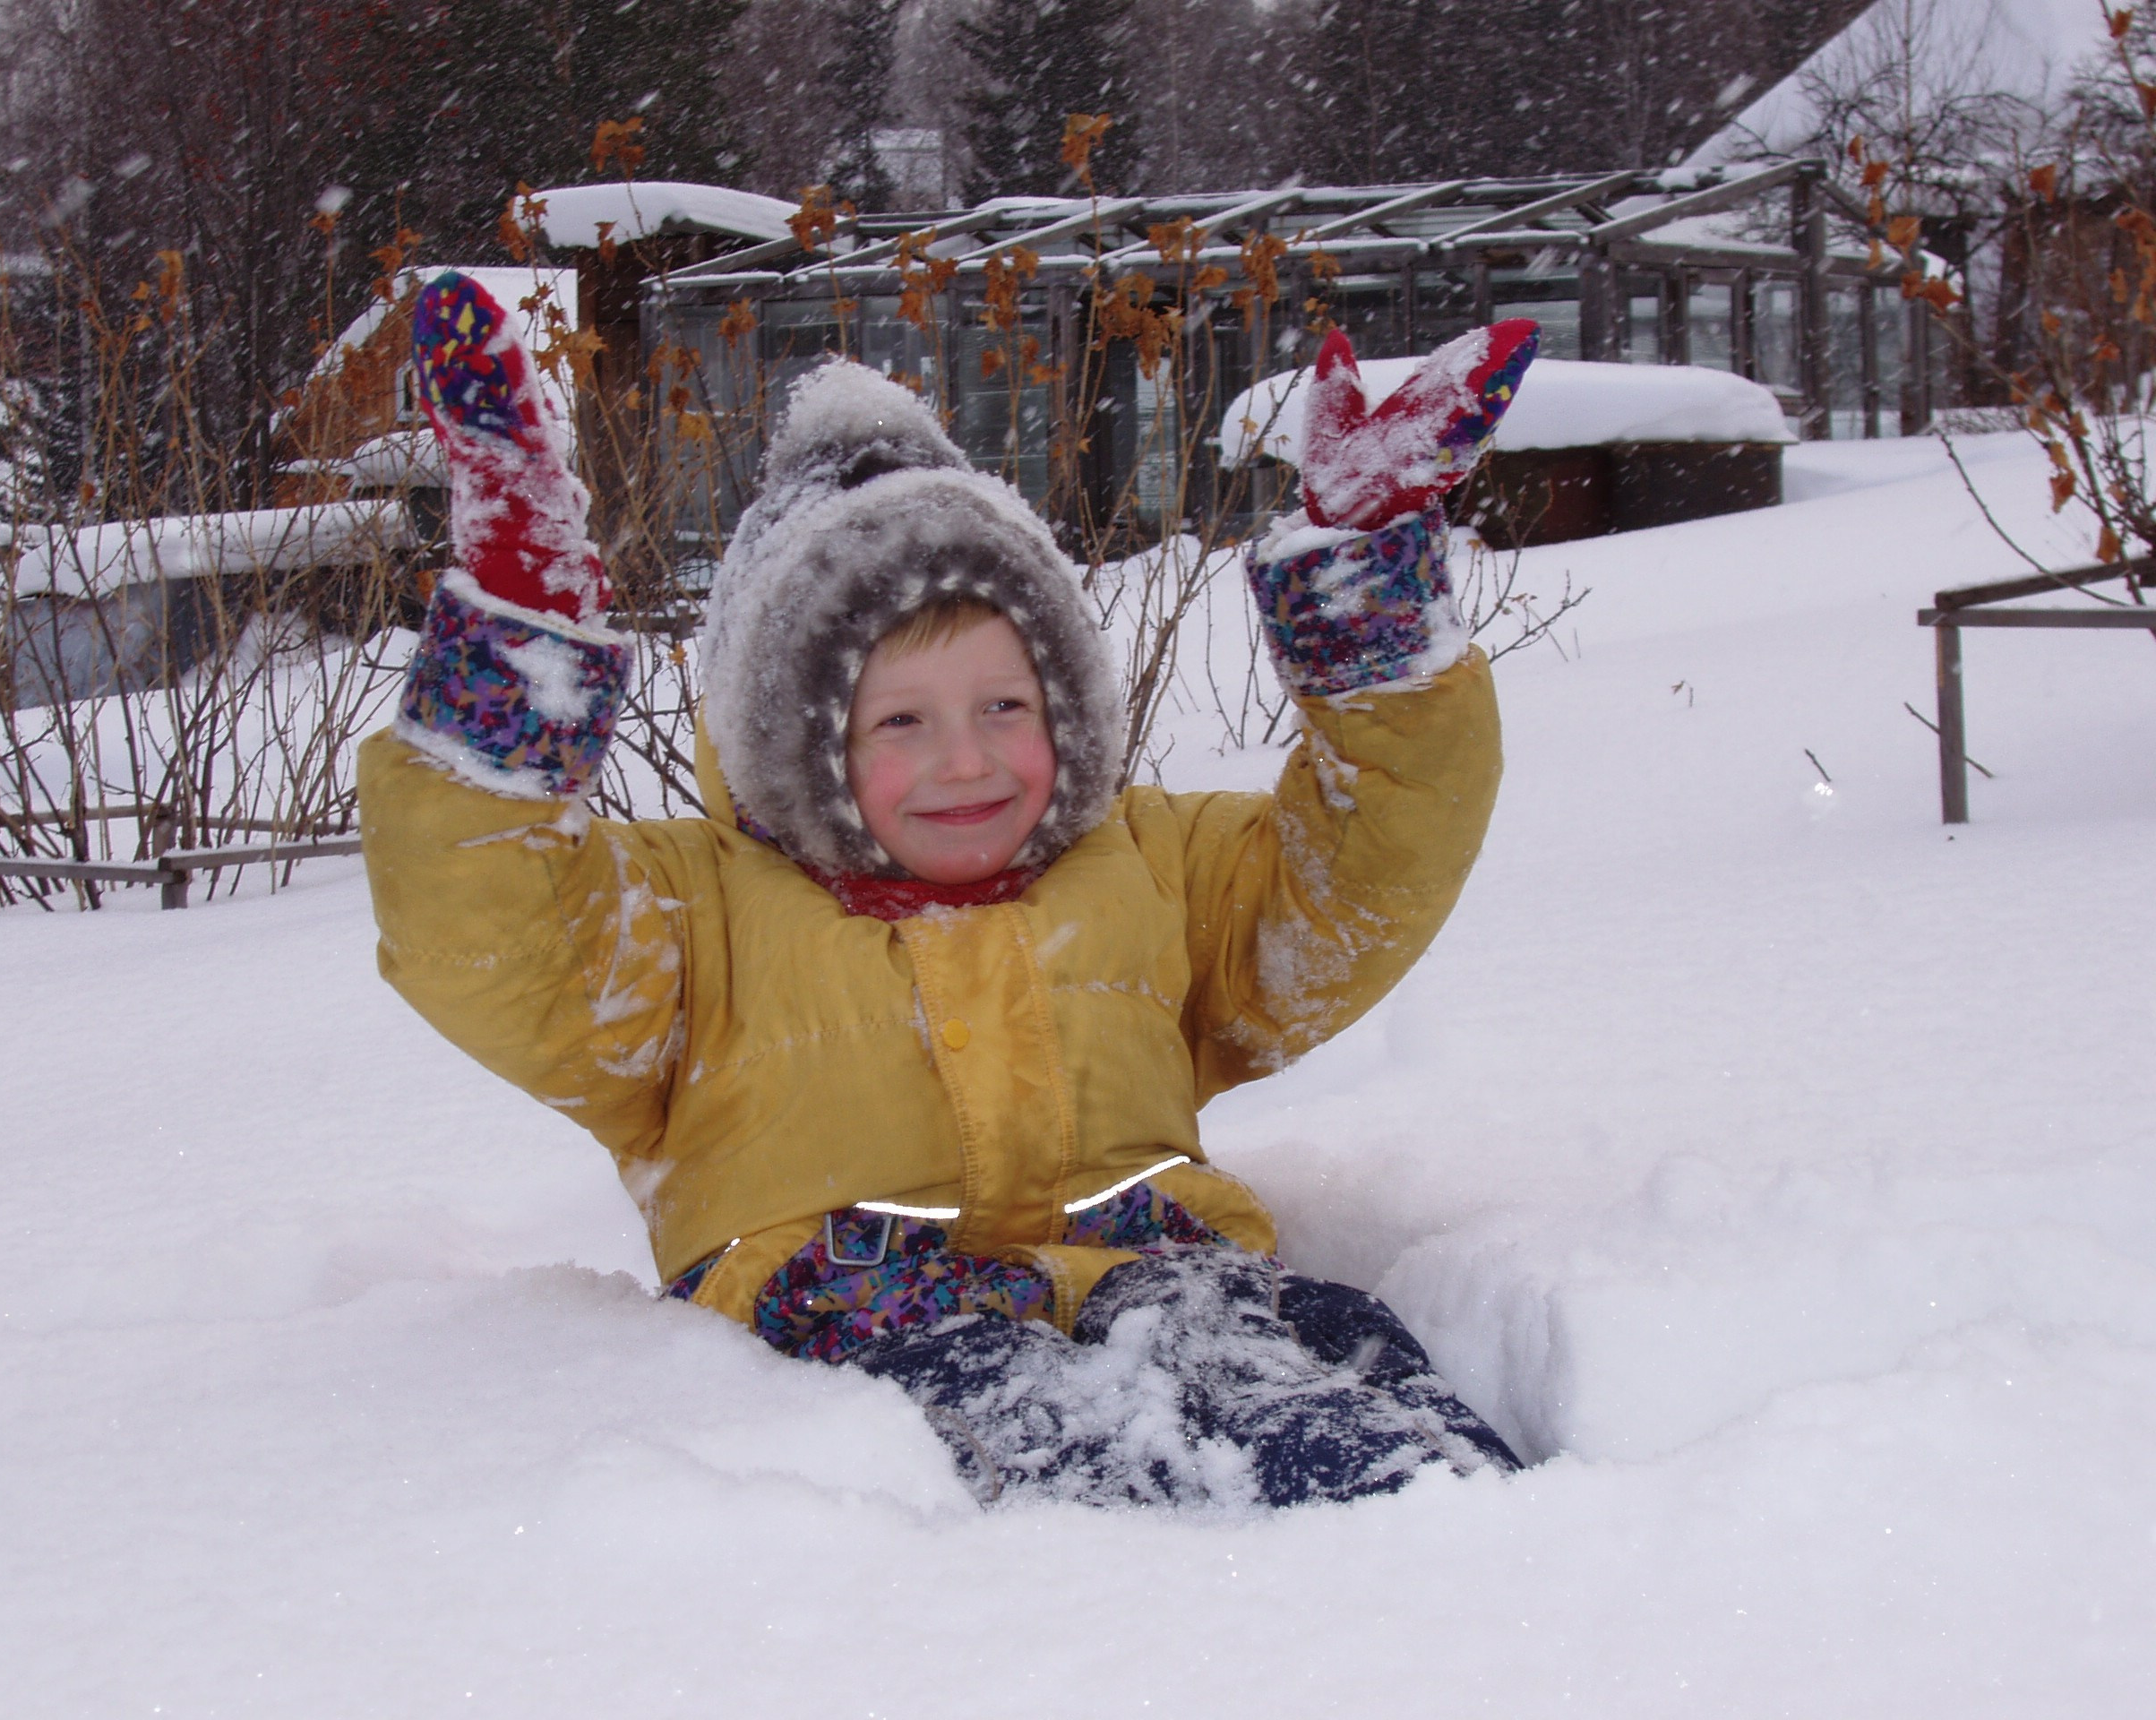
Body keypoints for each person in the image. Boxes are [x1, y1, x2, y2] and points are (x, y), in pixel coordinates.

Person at [361, 270, 1536, 1508]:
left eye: (1006, 706)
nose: (966, 761)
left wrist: (1367, 603)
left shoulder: (1152, 865)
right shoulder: (689, 921)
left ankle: (1489, 1572)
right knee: (1115, 1504)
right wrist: (519, 643)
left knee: (1361, 1449)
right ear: (799, 742)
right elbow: (490, 933)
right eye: (901, 721)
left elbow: (1366, 870)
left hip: (1175, 1288)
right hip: (872, 1340)